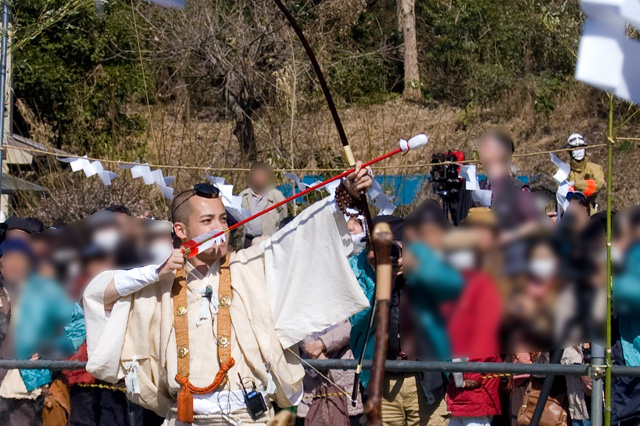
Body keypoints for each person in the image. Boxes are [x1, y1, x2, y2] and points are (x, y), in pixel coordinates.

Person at [83, 164, 372, 425]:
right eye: (207, 221)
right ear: (181, 230)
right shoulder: (159, 281)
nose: (220, 228)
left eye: (222, 219)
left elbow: (299, 238)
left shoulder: (250, 265)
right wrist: (154, 273)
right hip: (184, 416)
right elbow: (98, 294)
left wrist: (344, 194)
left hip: (247, 416)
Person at [240, 162, 288, 248]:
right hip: (247, 241)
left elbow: (283, 219)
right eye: (257, 176)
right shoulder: (243, 196)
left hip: (268, 241)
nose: (259, 179)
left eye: (262, 176)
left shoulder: (277, 196)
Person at [566, 133, 604, 209]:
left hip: (590, 210)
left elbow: (598, 185)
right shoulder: (564, 169)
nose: (578, 151)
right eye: (575, 148)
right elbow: (563, 191)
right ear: (570, 151)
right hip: (569, 209)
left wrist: (575, 184)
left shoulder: (595, 168)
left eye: (580, 147)